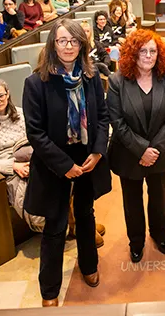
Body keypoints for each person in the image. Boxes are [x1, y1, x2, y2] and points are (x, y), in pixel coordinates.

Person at [22, 19, 111, 302]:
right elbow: (35, 133)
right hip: (54, 161)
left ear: (82, 44)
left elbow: (103, 117)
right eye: (62, 41)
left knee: (85, 214)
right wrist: (64, 166)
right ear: (53, 44)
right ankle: (49, 290)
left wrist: (97, 151)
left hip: (87, 157)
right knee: (56, 224)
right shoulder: (36, 83)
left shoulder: (91, 76)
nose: (69, 46)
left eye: (74, 41)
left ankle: (89, 265)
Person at [107, 30, 165, 262]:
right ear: (132, 53)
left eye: (153, 51)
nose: (148, 56)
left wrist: (154, 149)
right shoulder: (117, 81)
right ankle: (136, 240)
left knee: (159, 196)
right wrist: (141, 150)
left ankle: (159, 233)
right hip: (129, 153)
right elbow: (117, 121)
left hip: (160, 152)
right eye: (143, 51)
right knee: (132, 200)